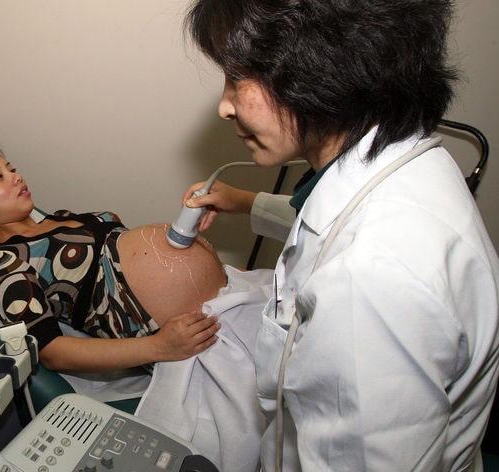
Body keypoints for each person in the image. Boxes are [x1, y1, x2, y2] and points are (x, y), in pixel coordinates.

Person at [181, 1, 499, 470]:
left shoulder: (370, 277)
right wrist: (245, 201)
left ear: (316, 68)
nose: (225, 106)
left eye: (236, 78)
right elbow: (329, 223)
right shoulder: (406, 162)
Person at [0, 144, 226, 373]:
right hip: (193, 337)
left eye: (12, 169)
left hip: (226, 296)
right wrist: (160, 346)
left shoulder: (62, 216)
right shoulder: (3, 264)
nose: (16, 177)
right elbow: (51, 352)